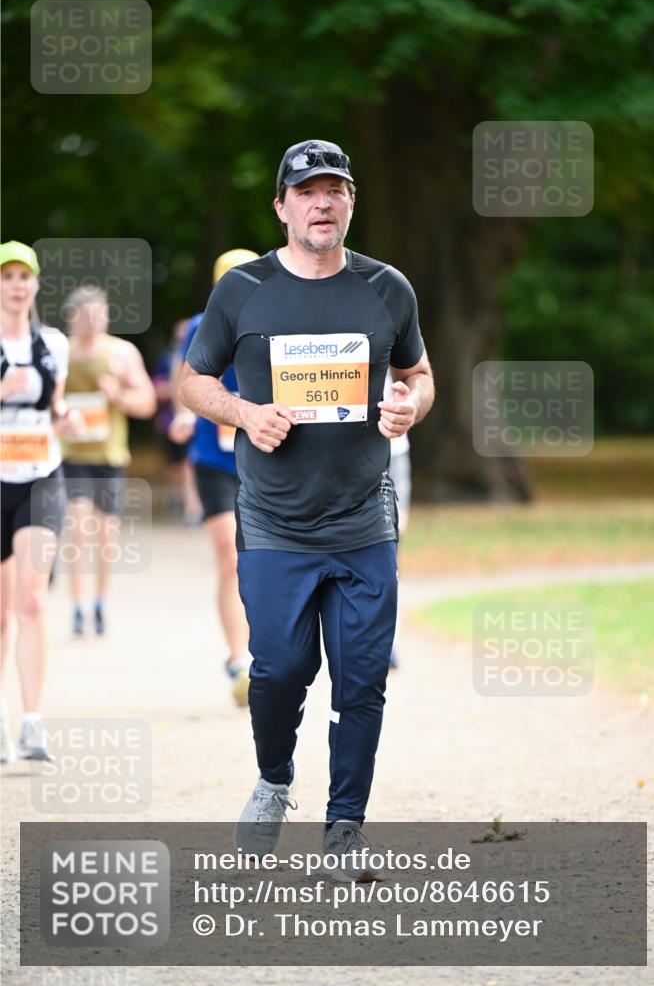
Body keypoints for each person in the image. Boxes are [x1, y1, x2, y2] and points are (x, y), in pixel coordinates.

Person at [180, 140, 434, 879]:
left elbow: (417, 373)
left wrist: (408, 407)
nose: (322, 203)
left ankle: (344, 828)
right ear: (282, 206)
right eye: (308, 191)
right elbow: (193, 381)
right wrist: (240, 412)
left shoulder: (387, 288)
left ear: (350, 202)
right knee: (280, 669)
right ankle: (273, 778)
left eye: (336, 190)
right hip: (275, 522)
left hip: (362, 520)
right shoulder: (245, 291)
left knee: (360, 680)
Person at [0, 241, 82, 762]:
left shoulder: (53, 343)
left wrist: (66, 415)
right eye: (6, 276)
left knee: (31, 598)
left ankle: (32, 723)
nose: (15, 285)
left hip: (41, 477)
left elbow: (56, 404)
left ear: (35, 285)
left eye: (23, 276)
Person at [169, 249, 259, 708]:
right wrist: (185, 416)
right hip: (213, 459)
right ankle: (236, 657)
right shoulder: (198, 327)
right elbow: (187, 381)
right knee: (230, 557)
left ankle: (268, 652)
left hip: (264, 460)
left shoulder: (273, 320)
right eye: (228, 281)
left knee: (264, 560)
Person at [60, 285, 156, 636]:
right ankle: (77, 606)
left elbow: (146, 402)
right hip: (71, 454)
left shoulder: (121, 353)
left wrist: (118, 396)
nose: (96, 321)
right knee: (77, 524)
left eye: (101, 313)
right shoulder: (60, 354)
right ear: (72, 318)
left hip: (109, 454)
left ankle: (100, 602)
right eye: (88, 315)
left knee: (105, 532)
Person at [152, 319, 201, 523]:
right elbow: (156, 386)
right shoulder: (167, 358)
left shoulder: (206, 352)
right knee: (175, 467)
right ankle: (178, 496)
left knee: (189, 463)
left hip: (198, 419)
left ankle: (192, 507)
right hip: (170, 419)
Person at [384, 371, 412, 670]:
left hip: (394, 453)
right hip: (349, 454)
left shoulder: (394, 323)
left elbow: (419, 376)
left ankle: (389, 639)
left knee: (391, 544)